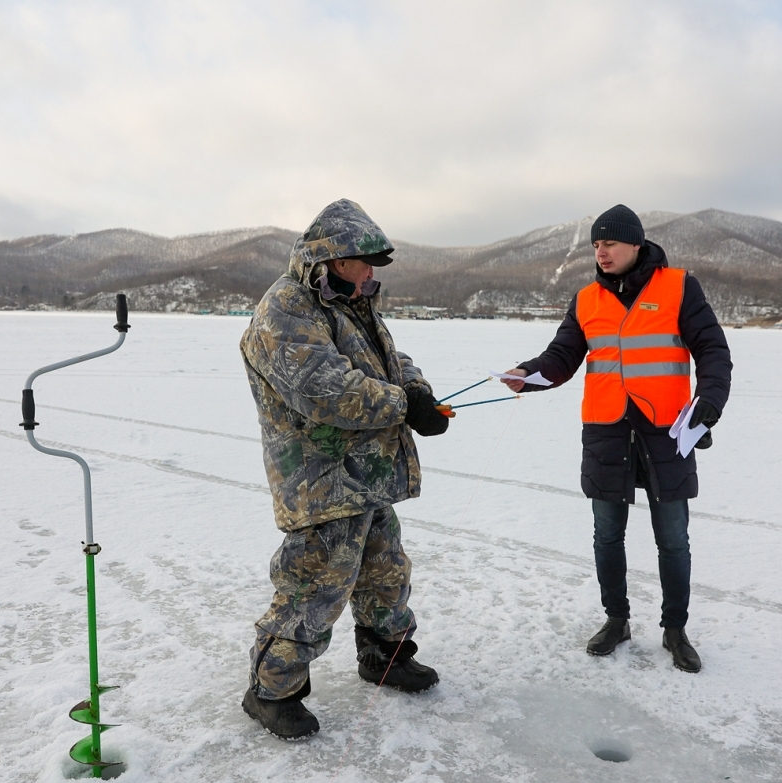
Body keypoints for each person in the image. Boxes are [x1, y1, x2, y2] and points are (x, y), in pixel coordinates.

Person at [238, 198, 449, 739]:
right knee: (315, 584)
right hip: (321, 478)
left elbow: (388, 361)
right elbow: (324, 388)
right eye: (365, 261)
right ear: (334, 259)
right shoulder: (286, 309)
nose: (372, 273)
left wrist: (417, 388)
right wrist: (405, 406)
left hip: (368, 472)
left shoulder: (355, 301)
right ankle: (272, 689)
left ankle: (386, 657)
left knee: (385, 572)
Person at [503, 204, 731, 672]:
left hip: (668, 430)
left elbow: (712, 349)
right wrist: (528, 372)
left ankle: (674, 629)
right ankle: (617, 619)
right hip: (606, 431)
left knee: (672, 538)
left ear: (635, 244)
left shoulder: (679, 287)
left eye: (609, 244)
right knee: (607, 535)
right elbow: (563, 354)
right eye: (595, 245)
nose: (600, 252)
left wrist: (710, 401)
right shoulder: (587, 299)